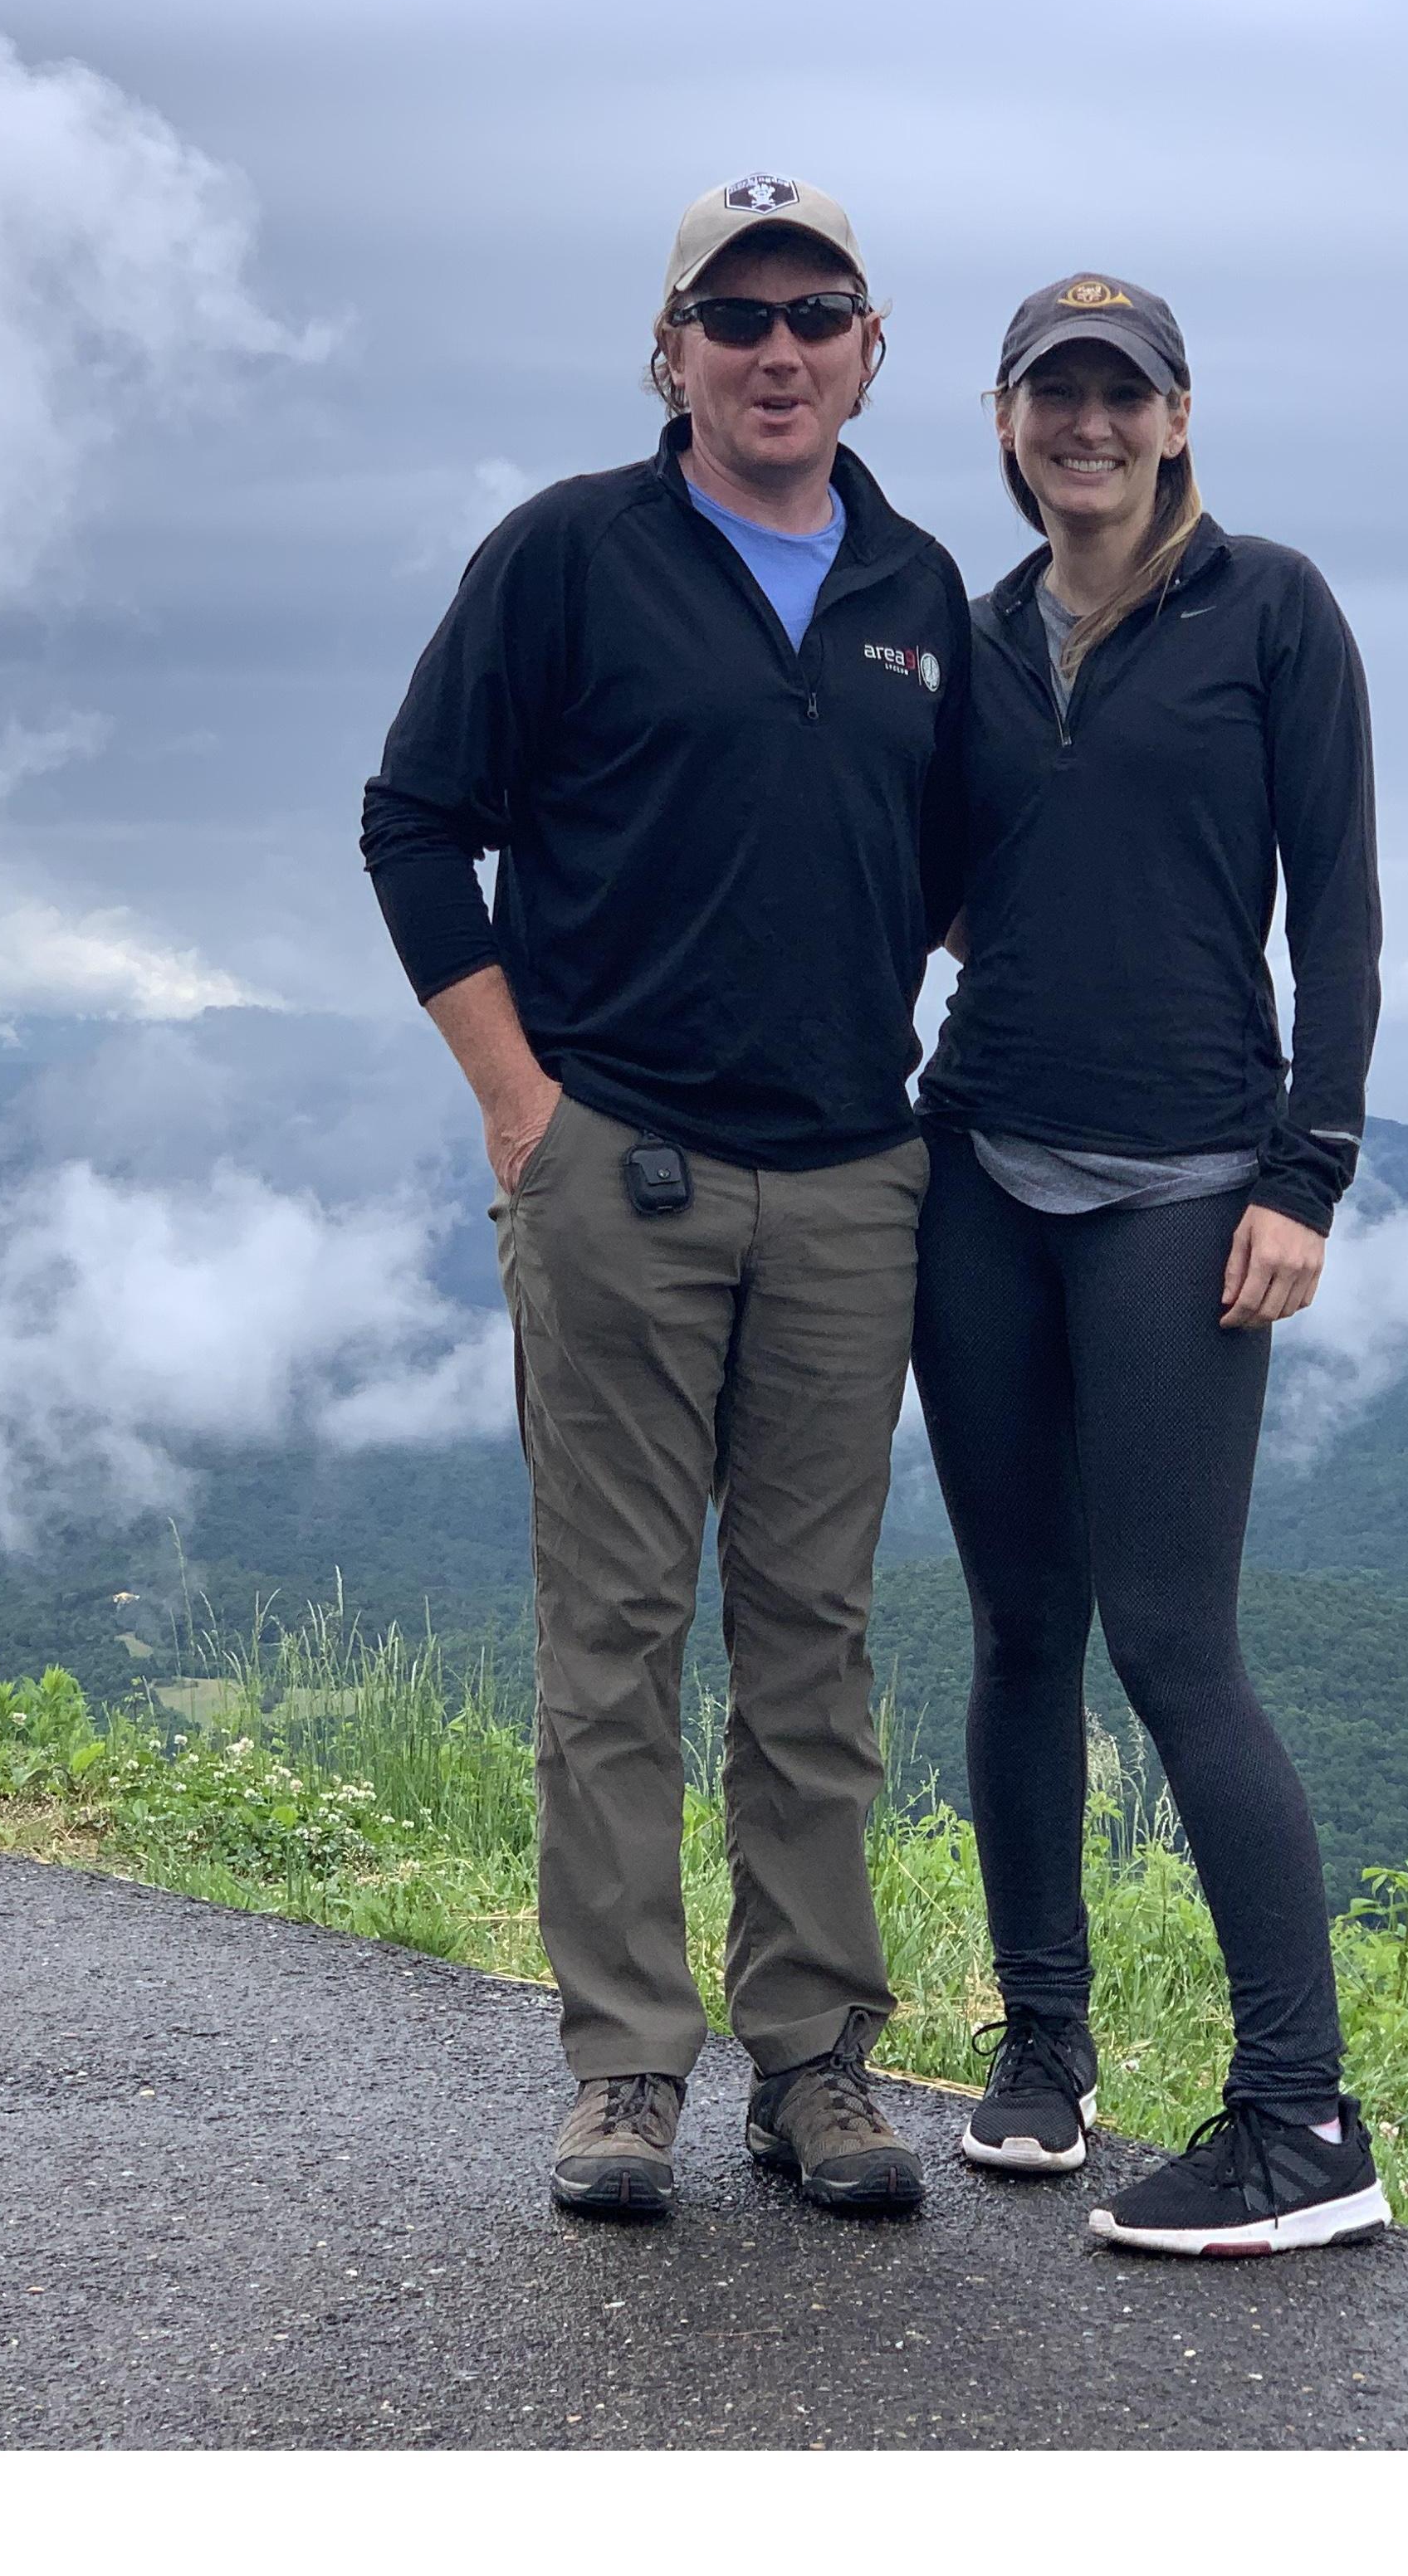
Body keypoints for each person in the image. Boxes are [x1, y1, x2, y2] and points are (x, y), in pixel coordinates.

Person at [360, 174, 970, 2221]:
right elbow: (415, 821)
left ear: (873, 349)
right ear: (673, 350)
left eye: (818, 314)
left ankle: (815, 2065)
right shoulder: (569, 555)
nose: (778, 349)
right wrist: (516, 1104)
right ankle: (625, 2068)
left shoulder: (915, 587)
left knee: (814, 1637)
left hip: (851, 1184)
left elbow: (957, 869)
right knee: (613, 1632)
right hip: (616, 1166)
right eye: (738, 316)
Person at [910, 271, 1390, 2257]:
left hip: (1194, 1185)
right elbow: (914, 883)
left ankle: (1304, 2126)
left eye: (1122, 395)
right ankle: (1043, 2051)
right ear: (1008, 421)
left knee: (1176, 1645)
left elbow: (1344, 916)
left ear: (1177, 418)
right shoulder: (968, 634)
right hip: (979, 1172)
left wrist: (1311, 1173)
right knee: (1022, 1628)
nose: (1086, 426)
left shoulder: (1272, 609)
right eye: (1053, 395)